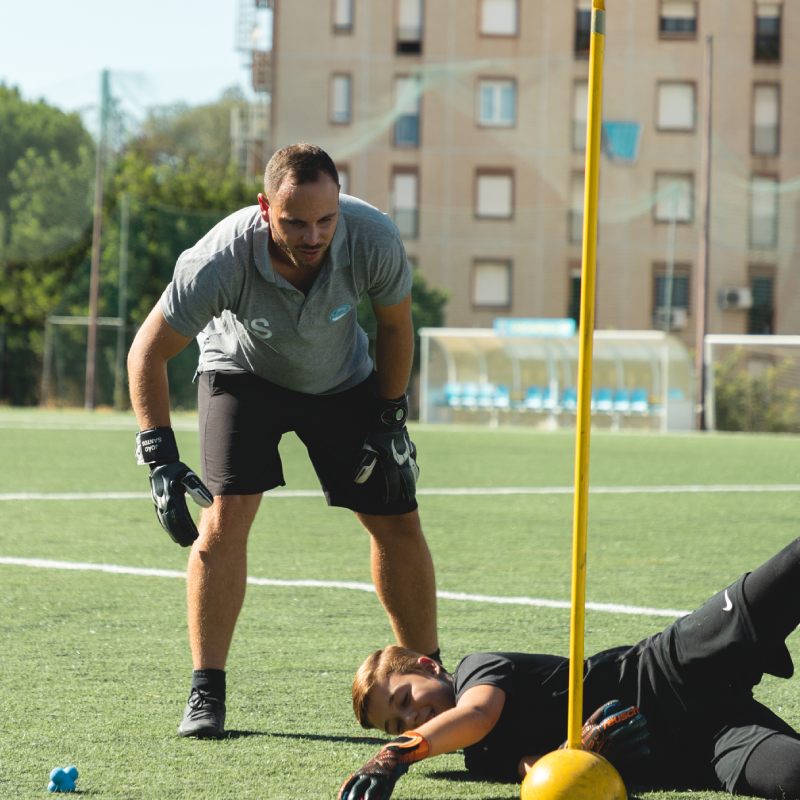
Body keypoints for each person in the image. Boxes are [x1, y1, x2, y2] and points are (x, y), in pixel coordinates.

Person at [127, 143, 440, 740]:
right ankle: (206, 691)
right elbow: (147, 354)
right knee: (226, 517)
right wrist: (159, 457)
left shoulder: (372, 237)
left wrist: (389, 418)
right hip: (242, 373)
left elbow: (397, 325)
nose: (314, 233)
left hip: (342, 379)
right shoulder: (219, 258)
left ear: (340, 207)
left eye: (326, 219)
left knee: (396, 519)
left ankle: (431, 672)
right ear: (265, 208)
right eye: (296, 221)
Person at [339, 536, 800, 800]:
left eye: (405, 700)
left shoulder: (476, 670)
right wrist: (575, 752)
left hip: (674, 664)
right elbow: (538, 770)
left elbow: (478, 715)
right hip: (701, 748)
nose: (412, 720)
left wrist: (397, 754)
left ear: (427, 666)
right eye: (396, 725)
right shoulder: (480, 758)